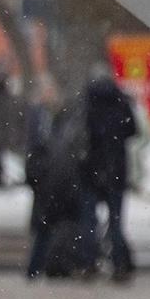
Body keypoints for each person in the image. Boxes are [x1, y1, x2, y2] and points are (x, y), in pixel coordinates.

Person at [25, 77, 89, 279]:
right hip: (49, 181)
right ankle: (39, 268)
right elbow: (35, 152)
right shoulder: (40, 118)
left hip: (60, 181)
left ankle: (53, 266)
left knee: (56, 227)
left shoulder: (64, 120)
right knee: (45, 228)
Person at [82, 69, 139, 283]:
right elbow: (133, 129)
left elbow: (81, 134)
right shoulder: (120, 102)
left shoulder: (88, 102)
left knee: (89, 222)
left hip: (91, 170)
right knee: (115, 222)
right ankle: (119, 265)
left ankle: (88, 263)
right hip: (116, 170)